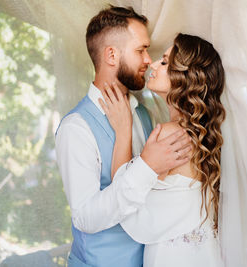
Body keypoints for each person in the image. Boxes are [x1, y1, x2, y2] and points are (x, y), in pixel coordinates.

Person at [55, 6, 192, 267]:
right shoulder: (76, 127)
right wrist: (146, 167)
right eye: (140, 50)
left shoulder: (145, 114)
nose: (147, 60)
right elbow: (85, 218)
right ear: (111, 54)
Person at [100, 33, 226, 267]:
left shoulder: (171, 134)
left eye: (165, 62)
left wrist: (124, 129)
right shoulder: (202, 136)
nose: (154, 64)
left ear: (186, 77)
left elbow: (123, 196)